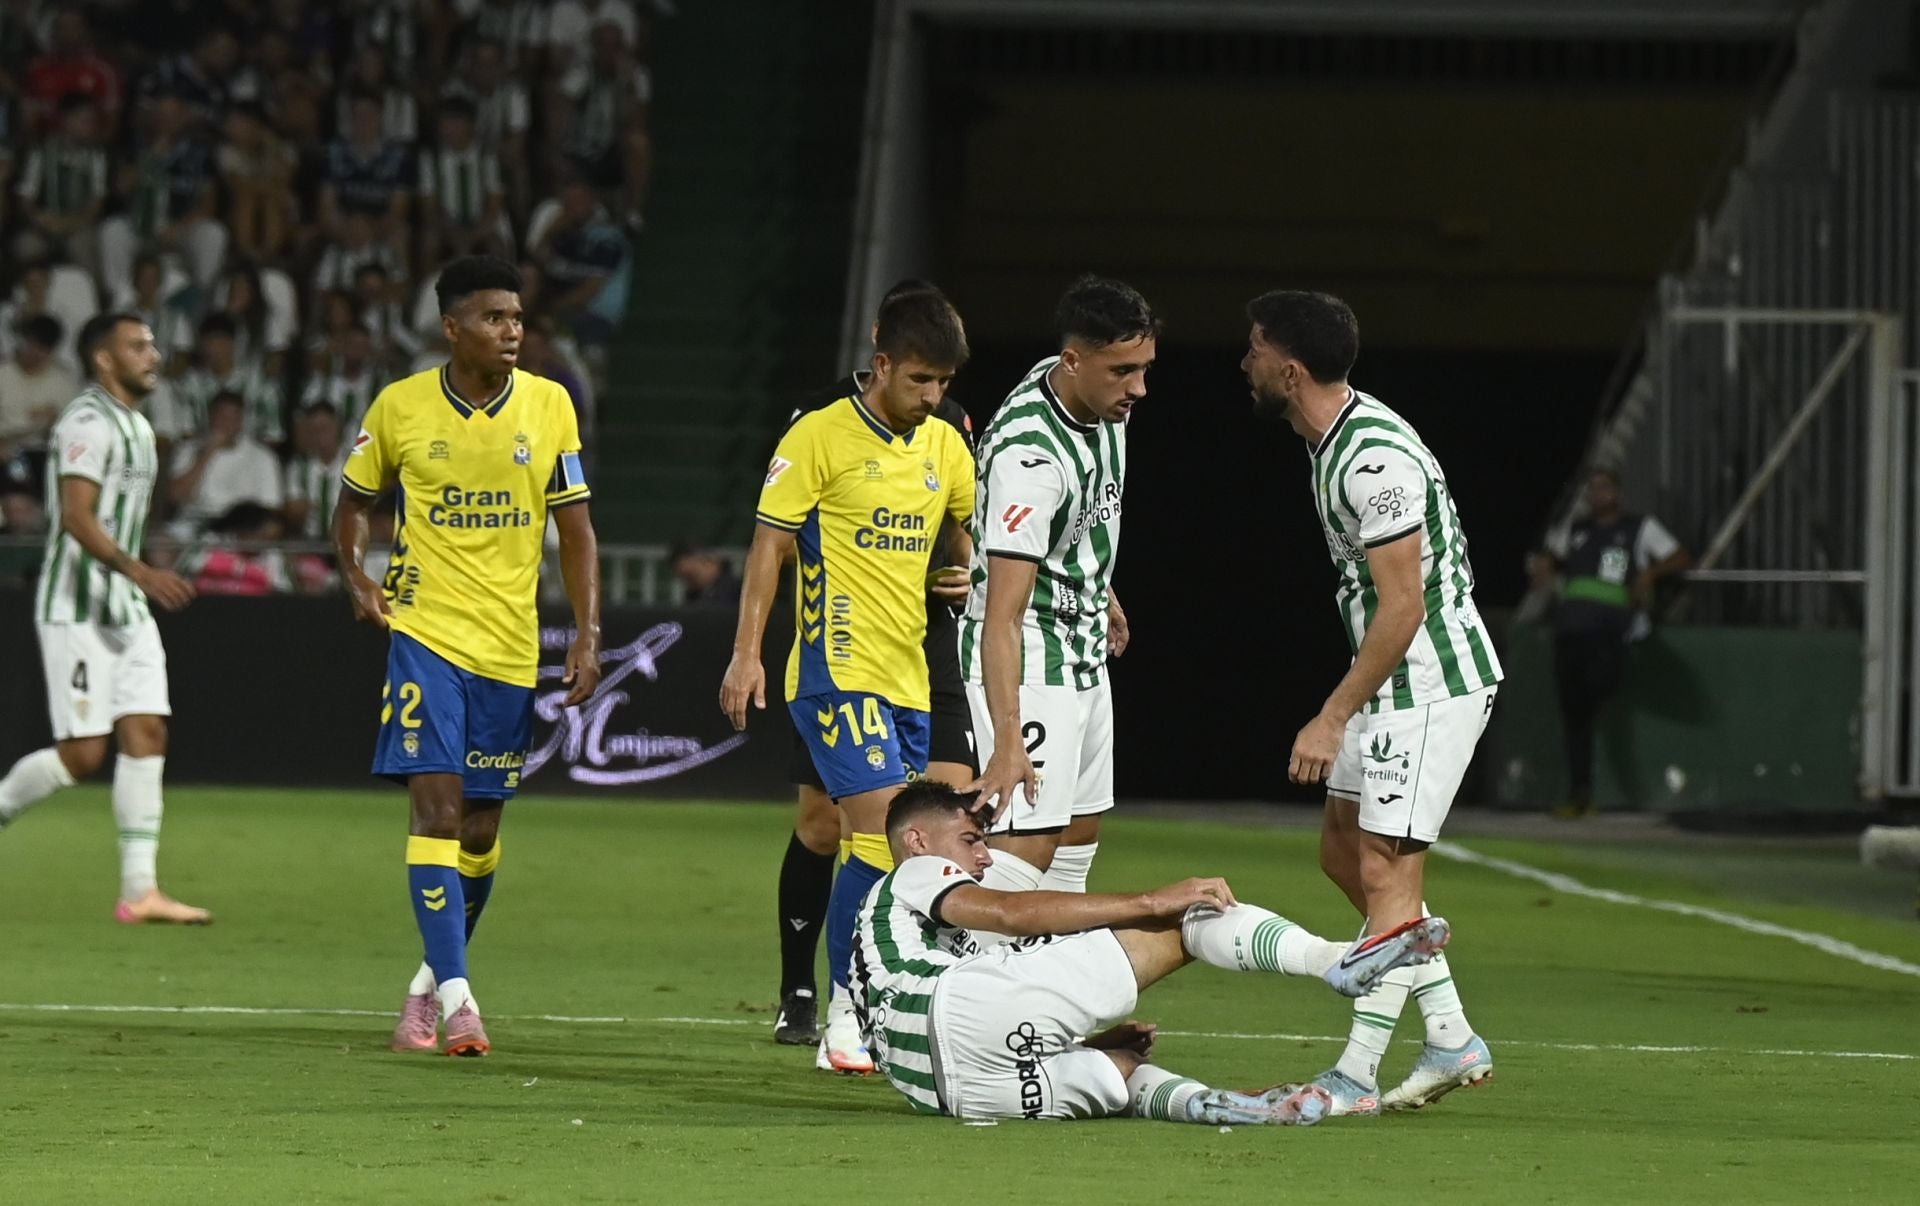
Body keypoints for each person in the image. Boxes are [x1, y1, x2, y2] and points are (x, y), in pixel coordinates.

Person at [332, 254, 601, 1058]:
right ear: (452, 328)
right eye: (493, 318)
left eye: (517, 317)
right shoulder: (402, 406)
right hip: (426, 634)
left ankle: (423, 988)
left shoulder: (551, 406)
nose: (512, 331)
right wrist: (356, 574)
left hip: (511, 648)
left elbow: (577, 529)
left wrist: (588, 632)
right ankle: (461, 1004)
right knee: (438, 813)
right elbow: (352, 503)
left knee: (479, 833)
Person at [1242, 290, 1503, 1115]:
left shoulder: (1373, 460)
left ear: (1289, 369)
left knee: (1389, 872)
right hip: (1387, 682)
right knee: (1343, 852)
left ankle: (1354, 1071)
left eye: (1252, 349)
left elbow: (1404, 606)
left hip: (1427, 684)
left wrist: (1331, 713)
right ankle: (1453, 1035)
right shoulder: (1329, 442)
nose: (1242, 362)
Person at [853, 782, 1451, 1122]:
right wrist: (1151, 900)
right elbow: (1012, 913)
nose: (982, 857)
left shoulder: (897, 935)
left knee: (1122, 1075)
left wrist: (1084, 1044)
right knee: (1188, 918)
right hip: (957, 1016)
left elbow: (960, 1020)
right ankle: (1333, 960)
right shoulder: (913, 874)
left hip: (951, 1093)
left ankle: (1221, 1106)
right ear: (917, 841)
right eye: (969, 841)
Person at [721, 290, 976, 1074]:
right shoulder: (818, 436)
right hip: (834, 671)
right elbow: (768, 547)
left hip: (907, 675)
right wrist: (747, 653)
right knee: (873, 835)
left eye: (943, 384)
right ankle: (844, 1014)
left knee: (908, 847)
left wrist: (958, 566)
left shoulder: (945, 448)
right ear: (883, 364)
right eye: (920, 381)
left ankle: (881, 1000)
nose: (932, 399)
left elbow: (964, 521)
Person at [0, 312, 209, 924]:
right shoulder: (87, 421)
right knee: (83, 755)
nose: (153, 354)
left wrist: (138, 579)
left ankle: (140, 889)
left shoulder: (139, 427)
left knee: (147, 734)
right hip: (78, 606)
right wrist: (142, 570)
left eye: (152, 344)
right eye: (137, 346)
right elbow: (77, 517)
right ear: (103, 359)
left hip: (126, 607)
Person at [962, 275, 1153, 913]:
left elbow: (1074, 530)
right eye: (1123, 371)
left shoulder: (1094, 398)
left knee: (1078, 834)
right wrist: (1008, 735)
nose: (1139, 389)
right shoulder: (1030, 458)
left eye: (1145, 368)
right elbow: (1002, 616)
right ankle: (951, 990)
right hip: (1033, 651)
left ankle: (1044, 1007)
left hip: (1085, 647)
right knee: (1027, 844)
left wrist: (1103, 588)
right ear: (1074, 360)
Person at [1533, 467, 1691, 817]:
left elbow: (1679, 557)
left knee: (1601, 686)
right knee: (1574, 716)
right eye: (1592, 489)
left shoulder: (1638, 527)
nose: (1597, 494)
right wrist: (1543, 569)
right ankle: (1580, 795)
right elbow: (1548, 561)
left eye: (1604, 487)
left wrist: (1649, 573)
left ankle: (1593, 718)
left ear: (1618, 491)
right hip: (1571, 630)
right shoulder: (1576, 530)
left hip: (1608, 630)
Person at [165, 390, 285, 535]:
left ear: (241, 422)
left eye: (233, 417)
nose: (226, 423)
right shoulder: (188, 449)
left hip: (241, 529)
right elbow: (176, 497)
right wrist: (207, 454)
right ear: (210, 417)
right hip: (192, 525)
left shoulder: (263, 457)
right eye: (221, 416)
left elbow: (270, 510)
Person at [669, 542, 741, 609]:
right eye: (685, 577)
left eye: (691, 574)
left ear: (708, 561)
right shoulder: (693, 597)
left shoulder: (737, 590)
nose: (690, 581)